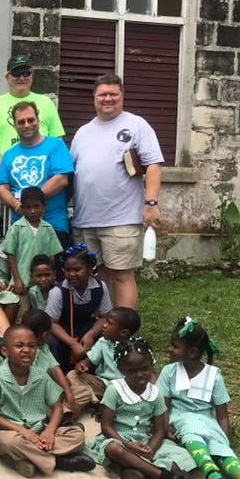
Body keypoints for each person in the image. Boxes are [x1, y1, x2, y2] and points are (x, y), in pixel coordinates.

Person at [70, 74, 163, 309]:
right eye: (102, 94)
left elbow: (153, 165)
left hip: (121, 218)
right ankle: (107, 326)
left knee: (122, 275)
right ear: (94, 97)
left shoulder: (136, 124)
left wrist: (151, 204)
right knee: (99, 277)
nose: (108, 98)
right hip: (86, 220)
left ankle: (125, 332)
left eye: (113, 94)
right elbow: (73, 174)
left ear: (122, 96)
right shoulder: (82, 132)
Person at [159, 317, 240, 479]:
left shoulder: (214, 376)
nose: (170, 349)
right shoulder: (169, 372)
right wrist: (164, 427)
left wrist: (224, 439)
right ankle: (214, 473)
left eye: (175, 346)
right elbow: (163, 406)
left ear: (192, 352)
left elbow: (222, 414)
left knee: (220, 449)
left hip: (208, 424)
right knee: (193, 436)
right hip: (181, 421)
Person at [84, 337, 198, 479]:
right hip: (119, 439)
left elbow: (160, 429)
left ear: (152, 365)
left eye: (144, 368)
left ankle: (133, 469)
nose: (140, 374)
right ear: (121, 369)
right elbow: (106, 427)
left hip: (146, 440)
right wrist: (127, 444)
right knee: (114, 449)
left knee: (182, 455)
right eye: (132, 370)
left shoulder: (156, 393)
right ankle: (165, 477)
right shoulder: (114, 390)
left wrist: (150, 449)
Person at [0, 325, 95, 478]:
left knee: (77, 435)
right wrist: (23, 431)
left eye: (32, 346)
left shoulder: (41, 376)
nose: (26, 350)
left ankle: (27, 460)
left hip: (39, 429)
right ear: (5, 351)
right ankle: (61, 462)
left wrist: (49, 431)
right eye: (19, 346)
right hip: (8, 433)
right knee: (10, 443)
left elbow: (57, 407)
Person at [0, 101, 73, 244]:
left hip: (53, 227)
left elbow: (61, 179)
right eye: (21, 122)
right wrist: (17, 205)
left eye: (31, 120)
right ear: (14, 125)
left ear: (38, 120)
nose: (27, 125)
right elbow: (1, 188)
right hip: (20, 228)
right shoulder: (8, 155)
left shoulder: (56, 145)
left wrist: (30, 202)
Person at [0, 55, 65, 169]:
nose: (21, 78)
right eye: (16, 73)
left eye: (26, 73)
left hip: (42, 170)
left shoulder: (46, 102)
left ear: (32, 75)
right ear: (7, 77)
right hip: (11, 170)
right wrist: (1, 167)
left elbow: (57, 139)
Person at [46, 244, 113, 370]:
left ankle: (98, 371)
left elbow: (105, 317)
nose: (71, 274)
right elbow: (52, 323)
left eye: (77, 270)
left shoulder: (100, 287)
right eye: (67, 270)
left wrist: (91, 334)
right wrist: (72, 343)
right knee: (52, 343)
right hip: (63, 331)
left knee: (106, 338)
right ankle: (60, 373)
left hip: (88, 328)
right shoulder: (58, 291)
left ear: (89, 269)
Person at [3, 187, 62, 313]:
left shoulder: (48, 228)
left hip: (42, 283)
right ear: (22, 207)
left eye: (36, 206)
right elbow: (10, 254)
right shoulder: (16, 228)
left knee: (43, 312)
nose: (33, 211)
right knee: (22, 313)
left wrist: (50, 277)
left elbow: (52, 255)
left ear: (44, 206)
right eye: (28, 207)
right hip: (22, 281)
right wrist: (17, 279)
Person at [68, 306, 140, 408]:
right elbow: (90, 361)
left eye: (109, 323)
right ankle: (96, 402)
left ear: (123, 332)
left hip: (124, 388)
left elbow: (146, 372)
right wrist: (82, 364)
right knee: (72, 375)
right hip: (103, 385)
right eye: (105, 322)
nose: (104, 325)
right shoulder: (103, 342)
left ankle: (94, 401)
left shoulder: (136, 347)